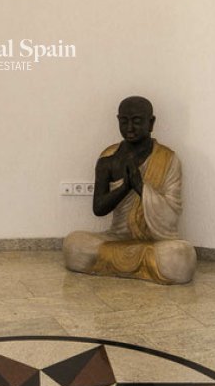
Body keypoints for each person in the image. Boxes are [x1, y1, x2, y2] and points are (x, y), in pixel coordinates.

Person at [62, 95, 197, 285]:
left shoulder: (168, 159)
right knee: (73, 244)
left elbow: (171, 216)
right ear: (118, 120)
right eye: (124, 121)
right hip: (117, 237)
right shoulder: (109, 158)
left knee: (180, 256)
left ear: (151, 123)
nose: (130, 128)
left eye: (137, 121)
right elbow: (99, 209)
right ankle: (144, 268)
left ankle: (115, 265)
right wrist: (126, 187)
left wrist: (140, 186)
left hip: (156, 242)